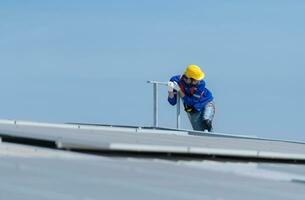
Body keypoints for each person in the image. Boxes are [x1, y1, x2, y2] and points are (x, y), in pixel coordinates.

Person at [167, 64, 215, 132]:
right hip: (193, 110)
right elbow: (172, 102)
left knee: (206, 121)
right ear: (188, 79)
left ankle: (212, 138)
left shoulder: (201, 83)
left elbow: (191, 102)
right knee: (199, 132)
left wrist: (179, 90)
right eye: (196, 80)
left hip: (207, 102)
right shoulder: (174, 80)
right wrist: (170, 90)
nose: (199, 81)